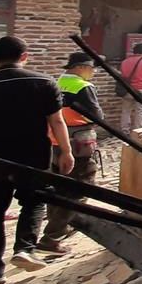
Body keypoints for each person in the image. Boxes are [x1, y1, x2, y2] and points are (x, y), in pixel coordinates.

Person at [0, 36, 74, 284]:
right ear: (25, 56)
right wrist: (66, 151)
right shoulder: (44, 83)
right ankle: (25, 248)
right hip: (33, 158)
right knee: (34, 202)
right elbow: (57, 122)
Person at [38, 51, 104, 255]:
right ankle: (53, 237)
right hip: (78, 143)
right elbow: (96, 115)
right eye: (91, 69)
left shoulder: (56, 83)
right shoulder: (83, 86)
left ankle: (55, 230)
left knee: (57, 187)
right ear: (81, 68)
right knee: (80, 188)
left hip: (54, 141)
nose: (92, 73)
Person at [118, 42, 142, 134]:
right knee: (140, 110)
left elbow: (122, 75)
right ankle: (137, 131)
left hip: (127, 90)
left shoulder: (124, 62)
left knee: (126, 111)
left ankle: (125, 131)